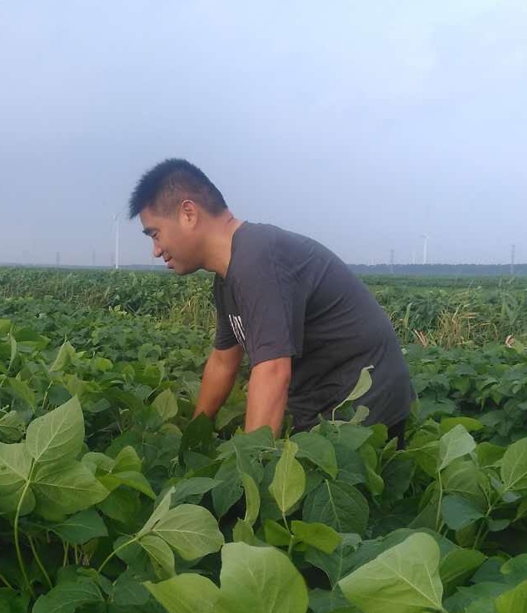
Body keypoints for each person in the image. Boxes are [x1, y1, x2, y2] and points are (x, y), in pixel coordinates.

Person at [128, 158, 414, 442]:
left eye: (155, 234)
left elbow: (273, 371)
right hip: (321, 405)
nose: (156, 250)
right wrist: (193, 437)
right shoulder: (229, 276)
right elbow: (223, 362)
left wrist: (252, 462)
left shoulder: (258, 258)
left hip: (362, 413)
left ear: (188, 213)